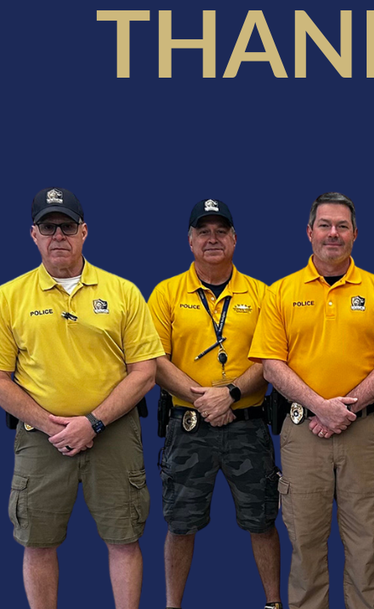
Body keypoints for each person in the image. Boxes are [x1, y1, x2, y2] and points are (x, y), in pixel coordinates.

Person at [0, 187, 164, 609]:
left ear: (84, 232)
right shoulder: (8, 298)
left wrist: (93, 422)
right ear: (33, 235)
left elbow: (145, 372)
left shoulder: (123, 293)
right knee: (38, 542)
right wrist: (51, 424)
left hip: (113, 435)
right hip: (42, 440)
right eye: (48, 226)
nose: (58, 234)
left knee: (124, 538)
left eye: (67, 226)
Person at [249, 192, 374, 609]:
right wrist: (320, 407)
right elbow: (271, 365)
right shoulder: (281, 292)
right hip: (303, 434)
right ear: (309, 233)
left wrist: (346, 408)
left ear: (356, 234)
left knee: (365, 546)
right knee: (305, 545)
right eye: (324, 225)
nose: (333, 234)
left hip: (363, 433)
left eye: (342, 226)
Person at [148, 199, 283, 609]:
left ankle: (273, 603)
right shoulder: (166, 293)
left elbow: (271, 357)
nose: (212, 239)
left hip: (247, 424)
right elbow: (154, 360)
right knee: (180, 523)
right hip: (188, 427)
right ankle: (173, 605)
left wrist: (230, 394)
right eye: (203, 231)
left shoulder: (262, 294)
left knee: (261, 520)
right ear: (190, 240)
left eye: (220, 231)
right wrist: (202, 398)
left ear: (235, 239)